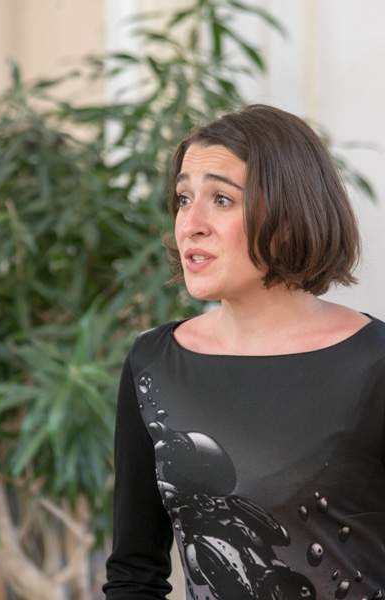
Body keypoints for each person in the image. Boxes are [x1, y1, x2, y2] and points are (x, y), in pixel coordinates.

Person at [103, 104, 385, 600]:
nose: (190, 224)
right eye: (183, 198)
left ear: (289, 214)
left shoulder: (374, 363)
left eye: (221, 199)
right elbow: (133, 574)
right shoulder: (153, 363)